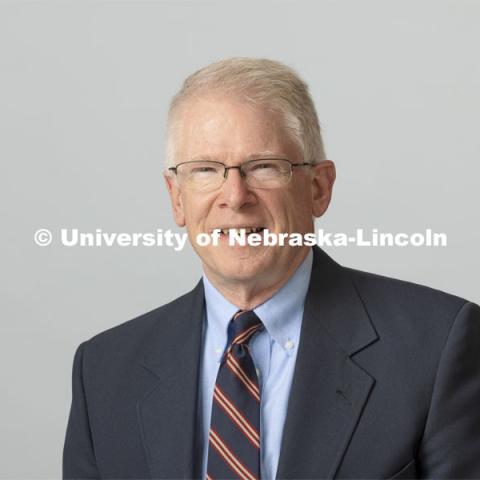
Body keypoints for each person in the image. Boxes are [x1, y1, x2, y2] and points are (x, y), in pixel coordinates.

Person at [63, 57, 480, 479]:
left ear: (319, 188)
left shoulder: (437, 348)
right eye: (205, 170)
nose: (235, 196)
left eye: (263, 166)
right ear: (176, 198)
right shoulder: (102, 371)